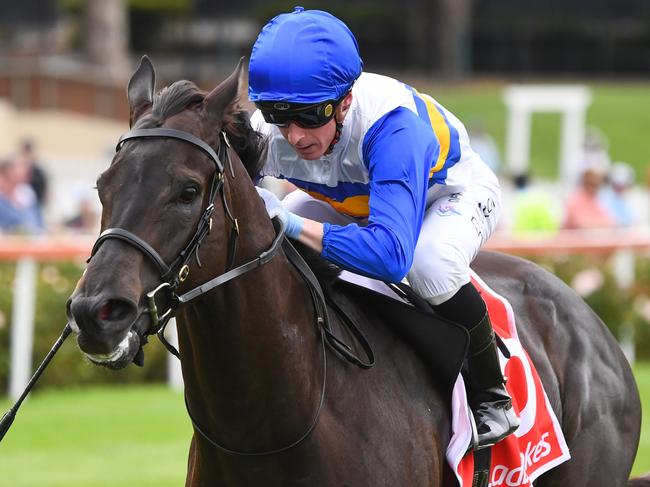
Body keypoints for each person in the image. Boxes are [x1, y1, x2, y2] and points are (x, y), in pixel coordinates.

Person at [248, 7, 518, 449]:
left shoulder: (394, 129)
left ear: (345, 100)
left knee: (429, 265)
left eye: (310, 116)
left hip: (445, 196)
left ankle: (493, 396)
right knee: (274, 239)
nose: (294, 135)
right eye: (279, 114)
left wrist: (292, 222)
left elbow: (391, 257)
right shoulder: (269, 132)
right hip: (361, 204)